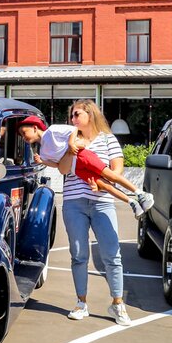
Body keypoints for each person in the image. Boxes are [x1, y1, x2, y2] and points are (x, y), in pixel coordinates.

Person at [53, 100, 134, 326]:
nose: (72, 119)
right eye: (71, 115)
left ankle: (118, 304)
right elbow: (62, 169)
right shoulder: (70, 140)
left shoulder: (108, 139)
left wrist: (102, 182)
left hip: (102, 202)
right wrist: (70, 150)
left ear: (90, 114)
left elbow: (117, 169)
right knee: (78, 255)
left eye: (76, 114)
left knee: (112, 255)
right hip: (73, 203)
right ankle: (81, 303)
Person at [17, 115, 154, 218]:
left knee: (109, 174)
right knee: (104, 184)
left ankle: (140, 193)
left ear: (35, 128)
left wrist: (71, 144)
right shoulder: (43, 151)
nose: (24, 137)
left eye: (24, 133)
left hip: (82, 155)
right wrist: (43, 161)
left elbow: (74, 129)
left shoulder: (52, 130)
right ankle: (132, 202)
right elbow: (58, 165)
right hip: (75, 169)